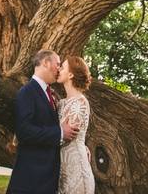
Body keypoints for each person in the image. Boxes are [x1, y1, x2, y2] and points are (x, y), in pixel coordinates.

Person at [7, 49, 79, 194]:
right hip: (31, 180)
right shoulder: (27, 92)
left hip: (46, 178)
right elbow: (24, 132)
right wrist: (60, 132)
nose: (59, 69)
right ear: (46, 63)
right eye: (57, 64)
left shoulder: (50, 94)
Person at [56, 56, 94, 194]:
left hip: (76, 172)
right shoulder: (61, 103)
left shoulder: (80, 102)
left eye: (63, 67)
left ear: (71, 74)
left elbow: (67, 136)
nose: (58, 69)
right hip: (61, 171)